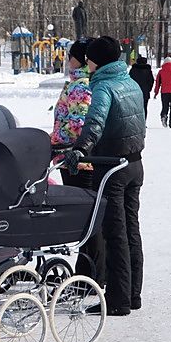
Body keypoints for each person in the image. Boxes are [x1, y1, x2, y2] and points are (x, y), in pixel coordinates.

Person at [65, 36, 146, 316]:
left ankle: (118, 300)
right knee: (132, 230)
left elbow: (94, 124)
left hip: (112, 167)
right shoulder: (130, 82)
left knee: (115, 234)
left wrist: (80, 150)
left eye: (89, 57)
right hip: (135, 164)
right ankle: (133, 294)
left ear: (97, 60)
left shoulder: (103, 87)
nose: (87, 62)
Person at [49, 38, 104, 285]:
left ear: (80, 59)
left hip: (77, 160)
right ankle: (87, 273)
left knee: (87, 219)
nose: (67, 59)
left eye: (70, 55)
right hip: (74, 158)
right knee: (88, 218)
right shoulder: (79, 83)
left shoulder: (81, 86)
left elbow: (76, 126)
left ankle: (89, 276)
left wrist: (52, 141)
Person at [153, 56, 171, 128]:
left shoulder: (161, 71)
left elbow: (158, 83)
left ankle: (164, 115)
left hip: (164, 92)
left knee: (165, 106)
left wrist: (156, 92)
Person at [128, 56, 154, 121]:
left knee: (135, 108)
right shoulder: (148, 71)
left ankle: (135, 122)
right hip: (145, 92)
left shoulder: (133, 70)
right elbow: (151, 81)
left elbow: (129, 81)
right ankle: (143, 122)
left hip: (134, 92)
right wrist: (148, 89)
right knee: (144, 107)